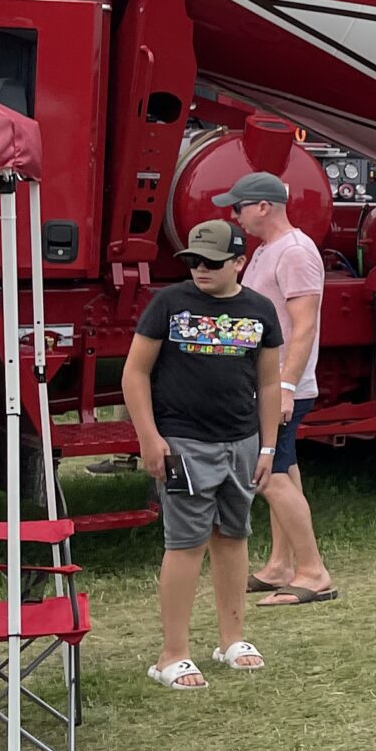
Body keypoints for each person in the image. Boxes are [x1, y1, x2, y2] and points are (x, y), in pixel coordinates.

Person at [121, 220, 282, 690]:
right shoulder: (168, 304)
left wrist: (267, 445)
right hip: (183, 442)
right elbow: (135, 373)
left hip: (242, 442)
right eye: (193, 260)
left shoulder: (260, 310)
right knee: (185, 542)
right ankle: (172, 655)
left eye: (211, 261)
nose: (200, 269)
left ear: (239, 262)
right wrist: (149, 437)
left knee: (233, 534)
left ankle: (232, 639)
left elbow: (269, 382)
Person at [218, 171, 339, 606]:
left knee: (267, 475)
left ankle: (313, 573)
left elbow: (304, 326)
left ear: (263, 206)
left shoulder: (295, 252)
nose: (235, 215)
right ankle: (281, 566)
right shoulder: (268, 250)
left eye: (239, 207)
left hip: (280, 387)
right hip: (267, 384)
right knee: (284, 469)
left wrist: (286, 386)